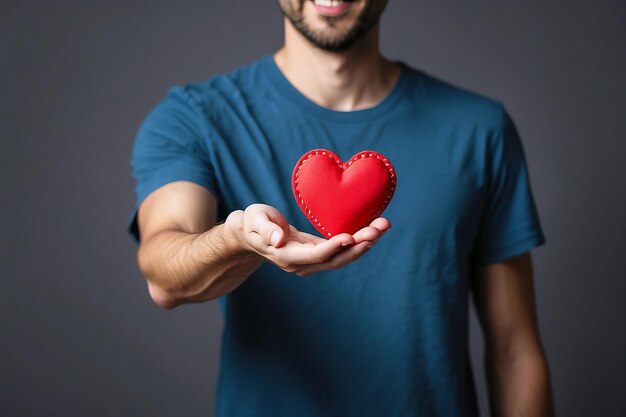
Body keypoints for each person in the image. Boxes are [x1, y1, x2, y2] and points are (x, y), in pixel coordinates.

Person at [129, 0, 555, 415]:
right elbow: (165, 274)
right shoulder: (193, 118)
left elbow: (513, 350)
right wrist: (236, 239)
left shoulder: (480, 130)